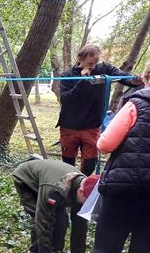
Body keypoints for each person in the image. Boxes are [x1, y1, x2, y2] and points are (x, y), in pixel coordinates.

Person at [90, 61, 150, 253]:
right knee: (146, 252)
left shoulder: (135, 104)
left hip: (122, 188)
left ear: (146, 77)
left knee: (106, 247)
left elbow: (105, 144)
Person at [58, 44, 139, 176]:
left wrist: (135, 80)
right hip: (69, 125)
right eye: (90, 62)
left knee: (90, 163)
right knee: (67, 162)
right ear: (80, 58)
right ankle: (69, 187)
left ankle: (83, 186)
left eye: (96, 62)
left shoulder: (104, 68)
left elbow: (123, 77)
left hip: (92, 125)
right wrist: (83, 81)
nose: (93, 66)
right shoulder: (67, 75)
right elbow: (66, 99)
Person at [12, 159, 98, 253]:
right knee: (40, 216)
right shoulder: (54, 190)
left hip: (50, 182)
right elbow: (42, 220)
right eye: (88, 202)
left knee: (62, 221)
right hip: (27, 180)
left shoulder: (83, 187)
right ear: (81, 191)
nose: (88, 205)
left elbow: (80, 224)